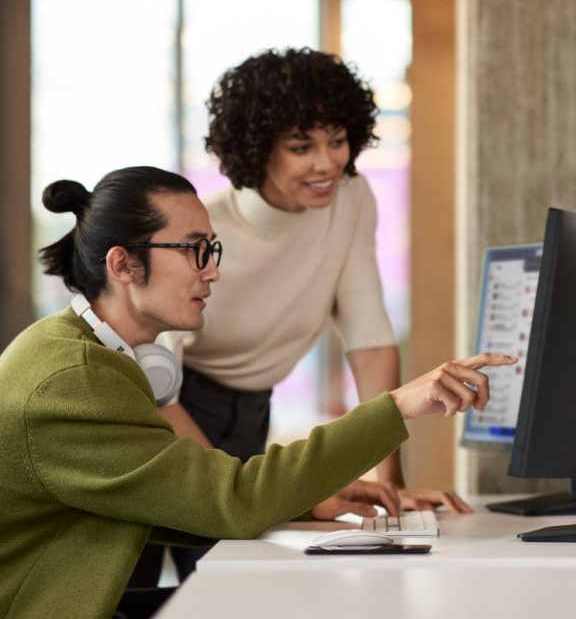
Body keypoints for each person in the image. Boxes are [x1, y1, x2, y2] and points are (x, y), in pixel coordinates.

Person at [0, 166, 513, 618]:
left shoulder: (91, 356)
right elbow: (233, 501)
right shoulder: (73, 382)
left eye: (212, 250)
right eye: (194, 250)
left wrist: (312, 503)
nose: (213, 270)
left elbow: (186, 501)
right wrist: (399, 405)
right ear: (123, 265)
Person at [158, 47, 469, 517]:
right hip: (169, 409)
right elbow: (158, 387)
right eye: (301, 147)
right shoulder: (205, 228)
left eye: (337, 140)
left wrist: (393, 486)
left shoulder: (352, 198)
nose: (326, 164)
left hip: (254, 413)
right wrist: (252, 495)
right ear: (258, 148)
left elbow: (370, 341)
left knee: (242, 573)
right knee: (162, 571)